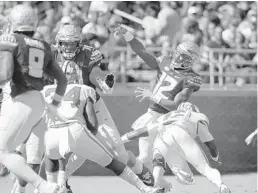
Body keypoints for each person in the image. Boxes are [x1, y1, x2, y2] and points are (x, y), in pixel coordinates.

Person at [114, 24, 202, 173]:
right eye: (178, 53)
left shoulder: (191, 77)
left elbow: (176, 105)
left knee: (154, 156)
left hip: (167, 119)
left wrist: (152, 96)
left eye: (183, 56)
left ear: (190, 60)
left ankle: (114, 144)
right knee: (144, 158)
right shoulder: (165, 62)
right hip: (152, 114)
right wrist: (128, 34)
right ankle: (159, 186)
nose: (178, 57)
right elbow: (142, 52)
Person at [42, 83, 159, 193]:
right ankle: (145, 189)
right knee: (112, 162)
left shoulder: (45, 90)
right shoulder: (85, 89)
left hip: (53, 131)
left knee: (52, 165)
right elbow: (93, 124)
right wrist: (89, 138)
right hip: (75, 129)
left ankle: (55, 186)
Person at [0, 4, 67, 193]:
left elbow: (5, 74)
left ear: (13, 22)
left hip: (21, 100)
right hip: (38, 102)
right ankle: (22, 187)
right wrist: (54, 104)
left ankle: (43, 185)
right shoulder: (44, 46)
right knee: (9, 150)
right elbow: (62, 79)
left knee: (3, 152)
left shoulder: (10, 39)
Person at [121, 102, 231, 193]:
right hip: (180, 133)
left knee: (158, 171)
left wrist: (120, 140)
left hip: (162, 138)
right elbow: (209, 142)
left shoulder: (165, 117)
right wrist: (216, 157)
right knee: (205, 169)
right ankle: (221, 186)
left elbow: (141, 132)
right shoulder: (197, 117)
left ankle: (155, 186)